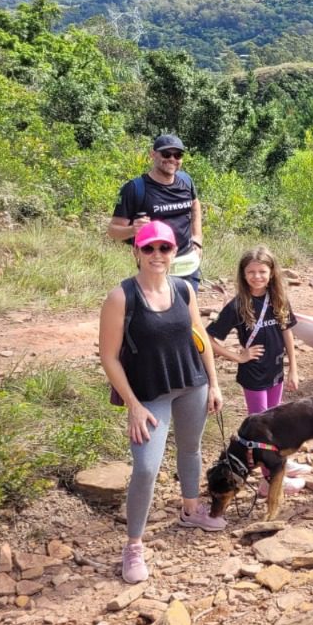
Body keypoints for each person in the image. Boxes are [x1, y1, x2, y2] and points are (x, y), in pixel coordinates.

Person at [98, 221, 225, 584]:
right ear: (136, 252)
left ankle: (190, 509)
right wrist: (133, 405)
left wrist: (214, 383)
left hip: (191, 383)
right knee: (146, 467)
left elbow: (199, 336)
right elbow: (109, 357)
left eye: (164, 248)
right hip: (148, 393)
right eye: (149, 248)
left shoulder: (184, 289)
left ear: (174, 254)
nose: (157, 255)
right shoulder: (121, 297)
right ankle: (134, 544)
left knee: (191, 449)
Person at [206, 245, 307, 496]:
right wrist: (238, 356)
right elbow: (209, 338)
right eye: (251, 272)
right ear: (243, 274)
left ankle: (278, 463)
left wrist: (293, 368)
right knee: (260, 430)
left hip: (276, 371)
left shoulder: (278, 299)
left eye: (262, 271)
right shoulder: (238, 304)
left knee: (276, 423)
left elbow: (287, 332)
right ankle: (269, 480)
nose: (257, 277)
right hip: (253, 374)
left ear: (272, 273)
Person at [108, 133, 204, 290]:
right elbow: (113, 231)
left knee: (186, 312)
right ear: (153, 154)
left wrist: (197, 238)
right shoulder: (134, 189)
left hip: (187, 263)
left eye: (178, 155)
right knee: (158, 312)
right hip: (155, 265)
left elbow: (195, 204)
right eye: (166, 154)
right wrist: (133, 229)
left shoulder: (186, 181)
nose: (172, 159)